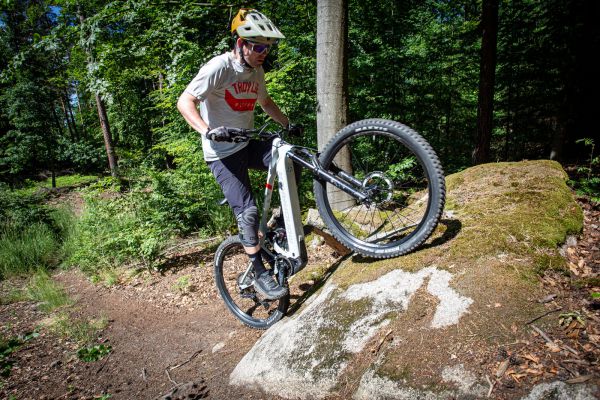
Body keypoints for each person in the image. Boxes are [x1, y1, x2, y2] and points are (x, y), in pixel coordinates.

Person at [177, 8, 301, 300]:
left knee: (290, 158)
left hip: (246, 144)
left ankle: (281, 224)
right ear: (240, 43)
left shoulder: (256, 71)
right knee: (248, 212)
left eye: (267, 48)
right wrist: (207, 130)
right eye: (258, 47)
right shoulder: (218, 67)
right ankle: (259, 273)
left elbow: (265, 102)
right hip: (221, 154)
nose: (263, 54)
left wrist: (287, 124)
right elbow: (185, 101)